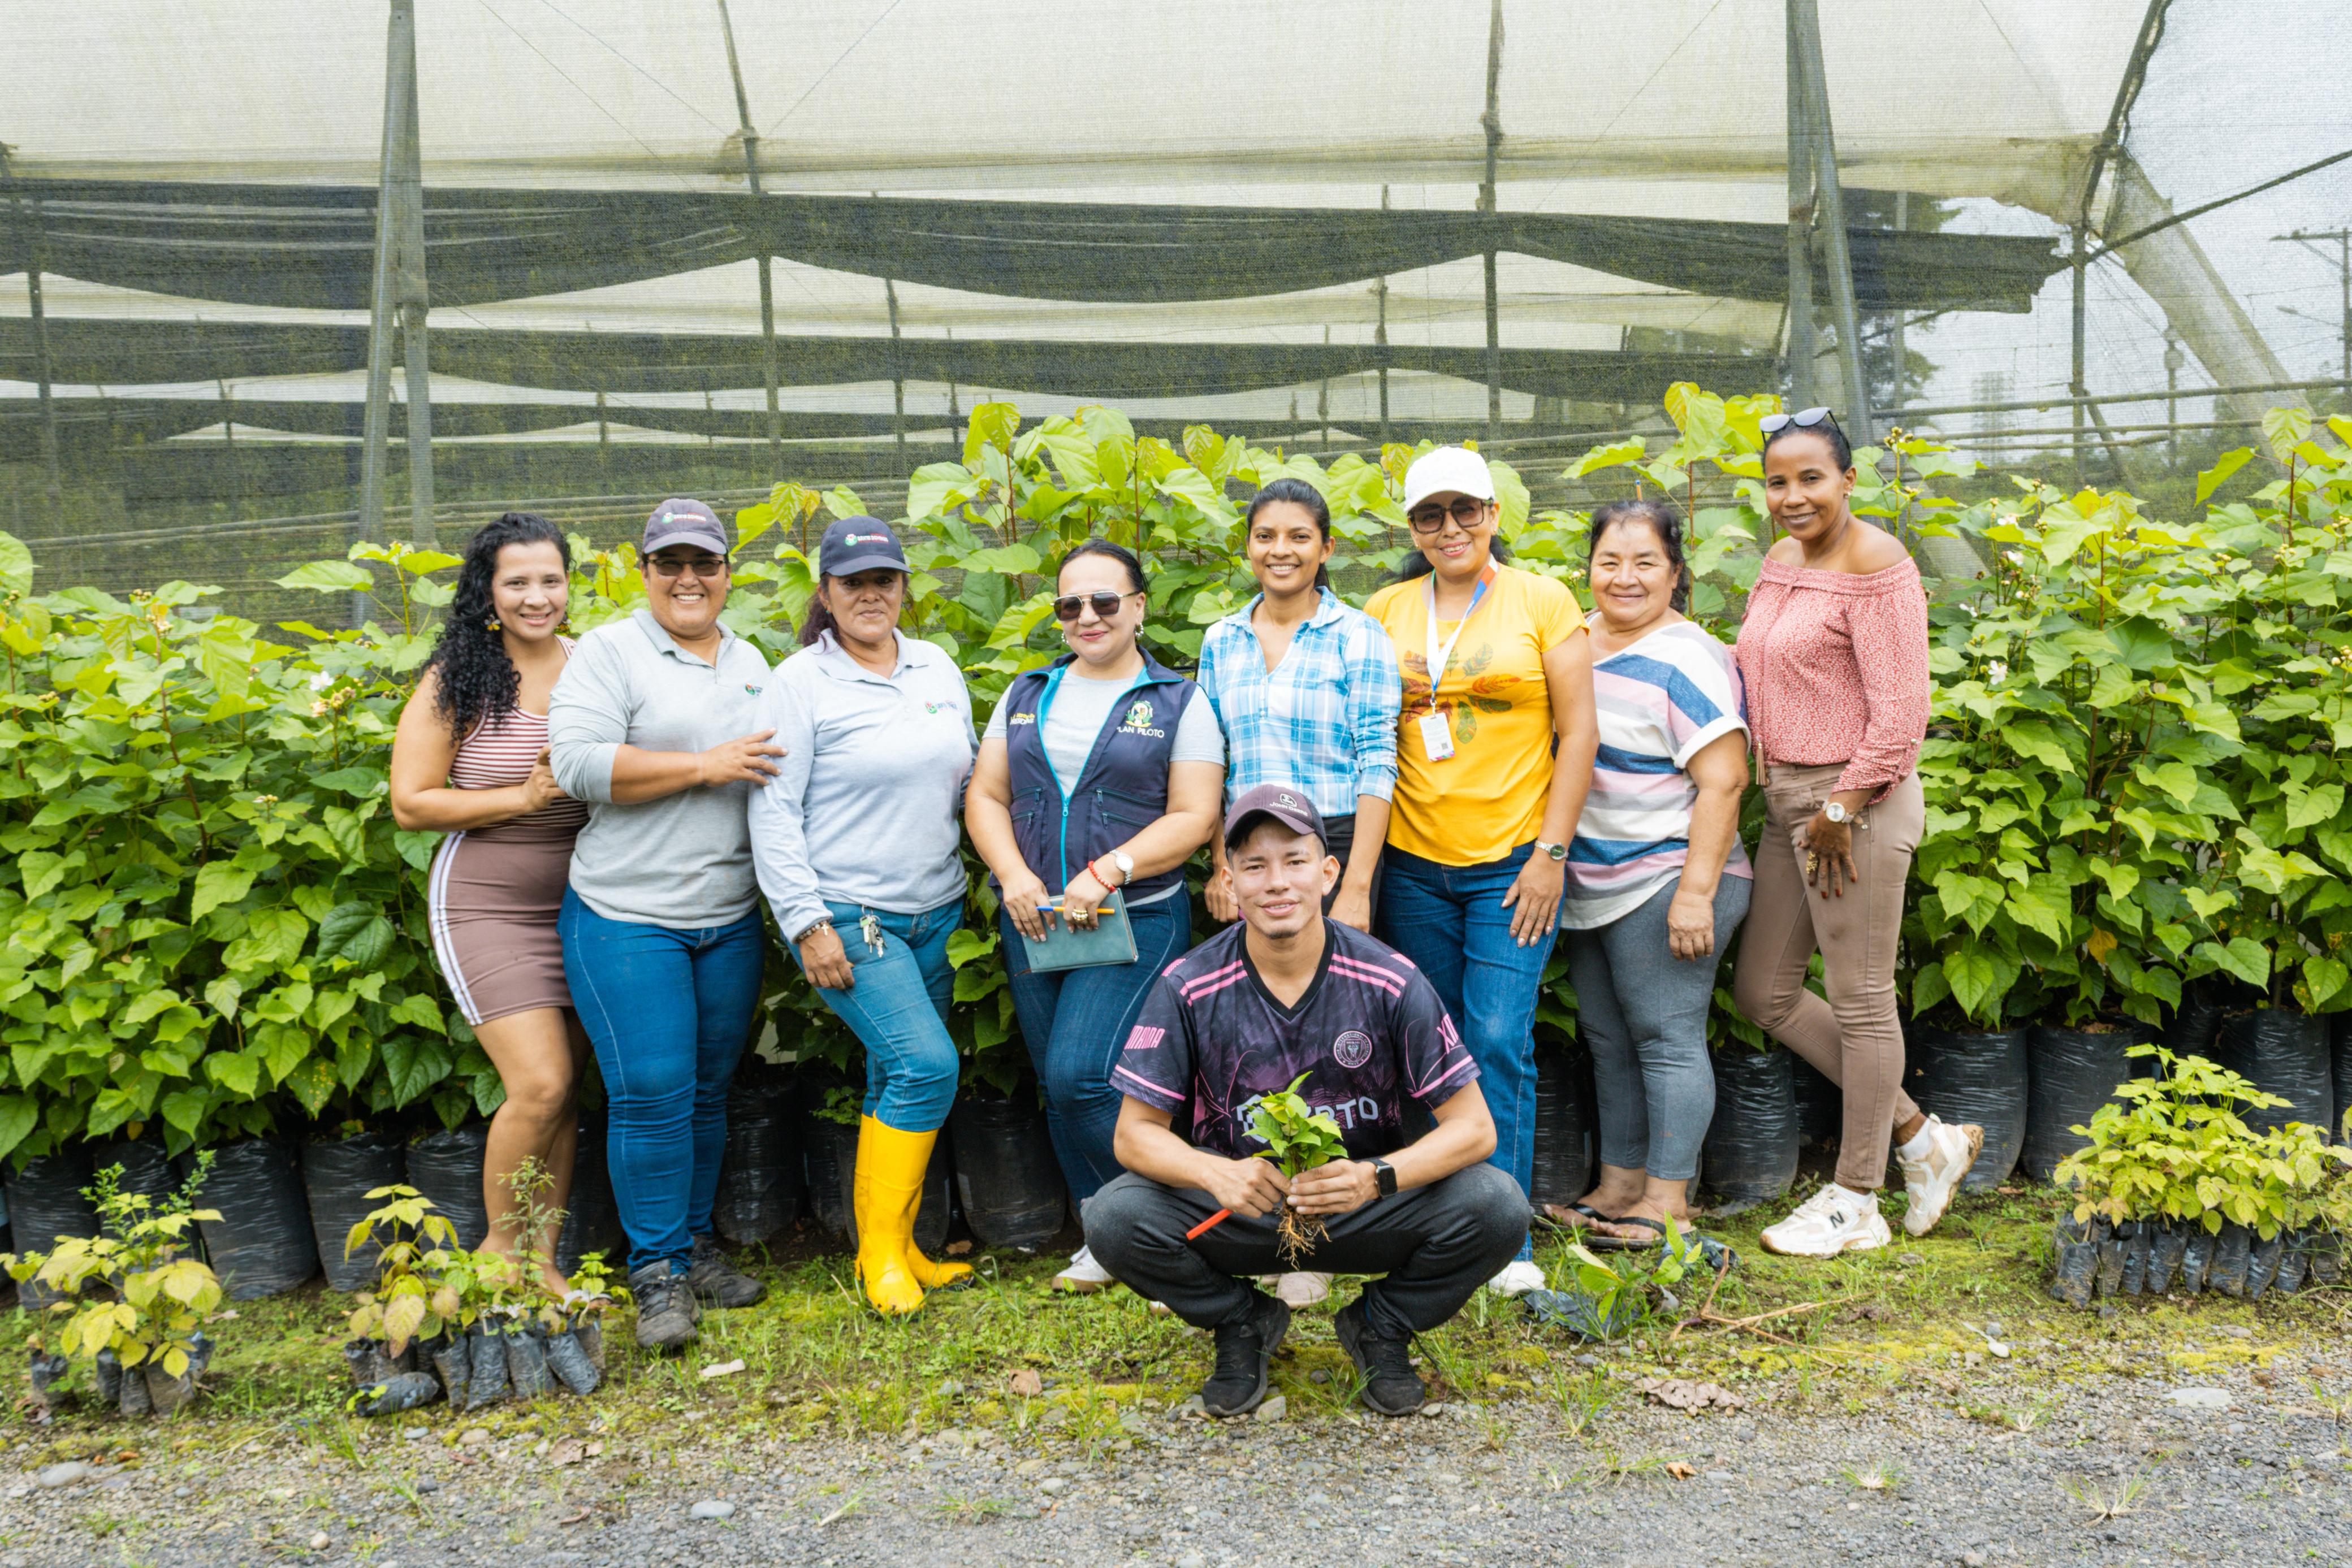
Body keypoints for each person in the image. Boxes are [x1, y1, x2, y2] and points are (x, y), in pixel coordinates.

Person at [1083, 785, 1525, 1418]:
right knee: (1112, 1216)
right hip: (1242, 1212)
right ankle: (1242, 1321)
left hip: (1362, 1209)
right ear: (1229, 882)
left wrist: (1374, 1178)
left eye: (1294, 861)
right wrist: (1215, 1173)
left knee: (1498, 1205)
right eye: (1254, 866)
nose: (1276, 882)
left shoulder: (1390, 979)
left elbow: (1475, 1129)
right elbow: (1133, 1135)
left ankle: (1380, 1325)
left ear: (1327, 873)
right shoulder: (1187, 986)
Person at [1727, 408, 1981, 1258]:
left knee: (1862, 998)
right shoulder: (1782, 559)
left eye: (1810, 478)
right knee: (1763, 991)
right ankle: (1922, 1137)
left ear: (1847, 479)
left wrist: (1840, 809)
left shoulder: (1878, 563)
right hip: (1788, 800)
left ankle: (1856, 1197)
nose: (1792, 496)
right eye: (1777, 481)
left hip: (1853, 804)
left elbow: (1902, 714)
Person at [1363, 446, 1597, 1297]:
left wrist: (1550, 855)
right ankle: (1441, 1223)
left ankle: (1506, 1238)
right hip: (1412, 865)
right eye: (1431, 515)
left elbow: (1579, 733)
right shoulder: (1384, 609)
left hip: (1512, 867)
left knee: (1498, 1038)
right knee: (1431, 1049)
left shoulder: (1542, 598)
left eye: (1466, 509)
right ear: (1412, 529)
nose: (1450, 527)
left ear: (1494, 514)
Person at [547, 499, 782, 1348]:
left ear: (727, 573)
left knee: (708, 1089)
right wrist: (702, 765)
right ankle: (656, 1273)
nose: (689, 578)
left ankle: (693, 1246)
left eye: (705, 563)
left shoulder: (751, 661)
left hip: (726, 916)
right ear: (644, 571)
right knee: (651, 1090)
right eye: (670, 563)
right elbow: (576, 765)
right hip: (627, 913)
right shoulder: (610, 651)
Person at [965, 540, 1225, 1293]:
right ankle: (1106, 1234)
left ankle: (1183, 1220)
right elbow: (986, 794)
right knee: (1057, 1082)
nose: (1087, 616)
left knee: (1081, 1074)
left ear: (1138, 607)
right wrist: (1013, 874)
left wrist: (1111, 869)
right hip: (1036, 918)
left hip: (1133, 917)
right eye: (1070, 604)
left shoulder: (1178, 701)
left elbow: (1195, 813)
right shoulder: (1026, 692)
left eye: (1105, 601)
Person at [747, 517, 975, 1315]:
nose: (870, 594)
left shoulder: (935, 665)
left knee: (892, 1073)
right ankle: (878, 1255)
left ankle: (901, 1246)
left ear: (904, 585)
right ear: (826, 592)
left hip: (935, 908)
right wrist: (806, 922)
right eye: (853, 582)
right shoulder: (799, 681)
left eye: (884, 579)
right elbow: (772, 811)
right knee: (926, 1066)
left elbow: (966, 779)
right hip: (849, 912)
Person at [390, 513, 591, 1295]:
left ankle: (542, 1262)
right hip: (486, 905)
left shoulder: (593, 663)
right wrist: (522, 797)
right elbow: (411, 802)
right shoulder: (459, 677)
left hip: (586, 904)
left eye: (551, 579)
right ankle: (498, 1257)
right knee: (539, 1083)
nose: (537, 597)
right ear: (488, 591)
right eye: (518, 582)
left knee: (566, 1092)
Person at [1550, 500, 1752, 1248]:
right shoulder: (1574, 643)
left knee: (1665, 1037)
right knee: (1609, 1038)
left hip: (1669, 874)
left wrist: (1696, 894)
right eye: (1609, 561)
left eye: (1645, 563)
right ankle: (1618, 1187)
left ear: (1675, 573)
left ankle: (1666, 1201)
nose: (1624, 577)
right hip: (1595, 880)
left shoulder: (1685, 656)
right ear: (1588, 569)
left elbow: (1725, 778)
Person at [1199, 477, 1400, 933]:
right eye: (1265, 536)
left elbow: (1378, 760)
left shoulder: (1357, 633)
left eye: (1299, 537)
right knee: (1257, 975)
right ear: (1249, 546)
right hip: (1247, 843)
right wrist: (1221, 862)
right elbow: (1209, 761)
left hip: (1333, 843)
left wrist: (1356, 887)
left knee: (1335, 975)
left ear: (1326, 548)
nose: (1280, 550)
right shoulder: (1222, 639)